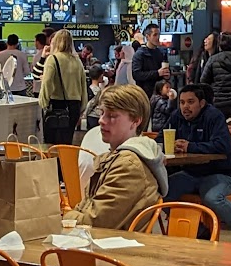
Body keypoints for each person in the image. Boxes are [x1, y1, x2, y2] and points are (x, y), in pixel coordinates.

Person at [63, 84, 167, 230]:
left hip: (113, 243)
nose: (101, 120)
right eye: (101, 113)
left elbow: (94, 222)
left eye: (112, 116)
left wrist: (66, 216)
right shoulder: (116, 157)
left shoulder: (128, 165)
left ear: (136, 121)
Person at [165, 84, 231, 242]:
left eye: (190, 102)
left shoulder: (214, 116)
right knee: (161, 191)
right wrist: (171, 145)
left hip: (223, 173)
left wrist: (190, 146)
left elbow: (222, 146)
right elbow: (161, 138)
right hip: (192, 173)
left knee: (212, 198)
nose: (185, 107)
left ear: (202, 103)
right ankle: (200, 231)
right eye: (182, 102)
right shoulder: (177, 116)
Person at [36, 29, 86, 146]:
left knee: (52, 144)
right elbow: (83, 85)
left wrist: (43, 103)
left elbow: (47, 83)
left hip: (57, 105)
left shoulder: (53, 59)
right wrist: (82, 107)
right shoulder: (77, 60)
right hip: (74, 106)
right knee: (67, 142)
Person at [131, 23, 169, 93]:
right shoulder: (140, 54)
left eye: (159, 34)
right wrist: (157, 73)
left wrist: (167, 74)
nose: (158, 37)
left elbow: (164, 71)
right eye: (155, 35)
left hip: (159, 92)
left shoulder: (160, 53)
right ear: (147, 36)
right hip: (145, 93)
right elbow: (136, 75)